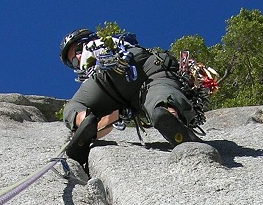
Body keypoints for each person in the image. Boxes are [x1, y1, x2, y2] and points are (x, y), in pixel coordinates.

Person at [59, 28, 200, 164]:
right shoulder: (119, 42)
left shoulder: (97, 46)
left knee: (74, 105)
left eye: (78, 51)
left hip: (108, 79)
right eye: (74, 62)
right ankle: (171, 117)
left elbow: (110, 117)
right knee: (161, 94)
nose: (78, 59)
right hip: (148, 70)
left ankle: (82, 120)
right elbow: (113, 117)